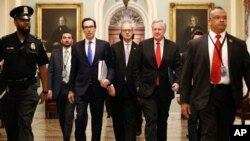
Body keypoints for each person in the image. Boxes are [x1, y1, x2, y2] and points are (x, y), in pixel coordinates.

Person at [181, 6, 250, 141]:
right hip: (205, 95)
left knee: (224, 134)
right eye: (217, 18)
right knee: (208, 132)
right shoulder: (195, 45)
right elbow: (186, 74)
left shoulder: (238, 44)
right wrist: (184, 100)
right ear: (209, 21)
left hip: (229, 95)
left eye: (224, 18)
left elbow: (247, 69)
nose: (221, 20)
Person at [0, 5, 49, 141]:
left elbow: (43, 67)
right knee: (11, 127)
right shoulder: (5, 42)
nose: (26, 23)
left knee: (24, 124)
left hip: (28, 90)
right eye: (22, 20)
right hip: (9, 91)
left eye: (28, 20)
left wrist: (45, 90)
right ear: (15, 22)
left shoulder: (36, 43)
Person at [134, 19, 182, 141]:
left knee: (162, 121)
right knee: (151, 120)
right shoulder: (144, 45)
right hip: (147, 91)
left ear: (164, 30)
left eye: (159, 29)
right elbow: (136, 67)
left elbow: (179, 67)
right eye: (154, 29)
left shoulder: (173, 46)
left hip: (165, 90)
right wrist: (138, 85)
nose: (157, 31)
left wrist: (177, 82)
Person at [68, 17, 114, 141]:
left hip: (98, 89)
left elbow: (110, 66)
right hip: (81, 89)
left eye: (91, 27)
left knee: (97, 120)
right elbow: (73, 70)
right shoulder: (76, 47)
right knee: (81, 118)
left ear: (95, 28)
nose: (89, 29)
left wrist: (108, 80)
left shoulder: (104, 45)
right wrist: (71, 90)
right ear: (83, 29)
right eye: (86, 27)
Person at [109, 21, 140, 141]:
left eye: (129, 30)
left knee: (131, 121)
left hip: (132, 91)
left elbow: (140, 69)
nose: (127, 32)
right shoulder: (114, 48)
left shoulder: (138, 48)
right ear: (121, 33)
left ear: (132, 32)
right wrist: (110, 85)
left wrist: (139, 86)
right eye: (124, 30)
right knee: (117, 121)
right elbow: (110, 67)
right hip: (116, 91)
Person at [47, 32, 75, 141]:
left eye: (69, 38)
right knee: (62, 116)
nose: (67, 40)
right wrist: (49, 89)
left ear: (72, 40)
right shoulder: (55, 53)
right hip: (58, 89)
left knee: (69, 116)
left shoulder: (76, 52)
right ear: (61, 40)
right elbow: (50, 72)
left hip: (71, 89)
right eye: (64, 38)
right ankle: (66, 136)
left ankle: (66, 139)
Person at [177, 29, 204, 141]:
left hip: (204, 93)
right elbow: (183, 77)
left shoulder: (208, 54)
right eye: (195, 41)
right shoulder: (185, 56)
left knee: (204, 121)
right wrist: (181, 95)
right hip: (191, 93)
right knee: (192, 120)